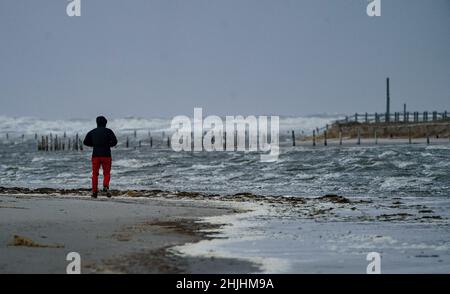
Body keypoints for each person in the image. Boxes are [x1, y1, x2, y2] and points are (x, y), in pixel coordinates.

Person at [83, 116, 118, 198]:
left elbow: (85, 142)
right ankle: (106, 186)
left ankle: (94, 192)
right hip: (106, 155)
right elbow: (115, 142)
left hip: (95, 155)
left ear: (97, 123)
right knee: (106, 173)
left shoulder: (92, 132)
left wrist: (94, 145)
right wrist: (107, 145)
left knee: (95, 174)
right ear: (105, 123)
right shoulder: (109, 131)